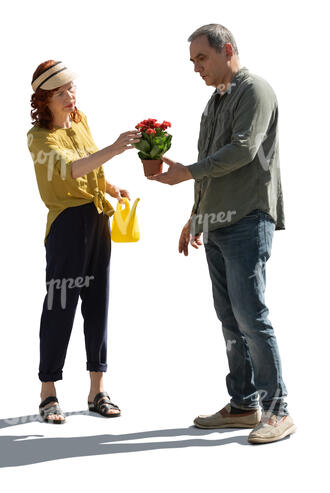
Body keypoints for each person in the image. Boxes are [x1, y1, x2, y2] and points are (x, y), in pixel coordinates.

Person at [149, 24, 295, 444]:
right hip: (217, 224)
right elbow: (206, 162)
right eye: (193, 60)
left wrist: (188, 174)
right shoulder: (214, 103)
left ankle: (277, 409)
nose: (196, 67)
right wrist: (196, 214)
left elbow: (243, 150)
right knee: (231, 320)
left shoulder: (256, 91)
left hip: (249, 219)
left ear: (226, 50)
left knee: (252, 317)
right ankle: (244, 404)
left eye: (201, 58)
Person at [26, 60, 141, 424]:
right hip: (66, 227)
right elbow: (72, 169)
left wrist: (110, 187)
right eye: (61, 92)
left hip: (97, 219)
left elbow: (90, 167)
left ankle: (97, 390)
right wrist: (116, 147)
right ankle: (48, 393)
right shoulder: (39, 138)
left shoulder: (80, 120)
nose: (70, 96)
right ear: (44, 100)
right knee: (59, 306)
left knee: (97, 304)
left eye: (71, 88)